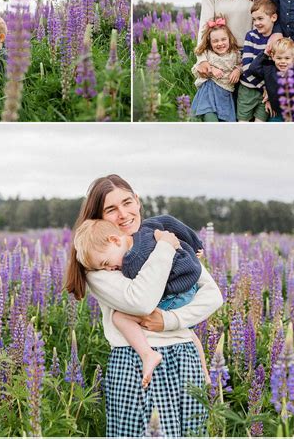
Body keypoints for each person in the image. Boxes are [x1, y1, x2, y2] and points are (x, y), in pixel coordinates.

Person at [65, 174, 223, 438]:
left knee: (194, 433)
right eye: (111, 209)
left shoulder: (157, 237)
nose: (123, 214)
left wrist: (169, 320)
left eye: (127, 203)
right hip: (138, 362)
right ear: (99, 217)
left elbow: (213, 295)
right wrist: (165, 248)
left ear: (137, 201)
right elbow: (141, 302)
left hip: (185, 357)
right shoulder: (101, 266)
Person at [73, 215, 210, 388]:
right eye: (103, 268)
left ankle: (147, 355)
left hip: (177, 291)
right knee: (188, 333)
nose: (109, 269)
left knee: (120, 318)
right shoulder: (147, 229)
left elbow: (143, 298)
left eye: (106, 263)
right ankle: (205, 374)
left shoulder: (130, 263)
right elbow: (168, 221)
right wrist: (195, 243)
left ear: (115, 240)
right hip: (189, 284)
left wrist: (166, 247)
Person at [191, 19, 241, 122]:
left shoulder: (235, 54)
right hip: (208, 92)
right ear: (210, 43)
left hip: (224, 95)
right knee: (210, 118)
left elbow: (242, 65)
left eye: (223, 39)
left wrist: (237, 70)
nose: (220, 43)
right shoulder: (207, 54)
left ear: (229, 39)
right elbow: (196, 69)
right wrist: (211, 69)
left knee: (224, 123)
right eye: (215, 41)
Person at [237, 0, 278, 122]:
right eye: (254, 19)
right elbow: (246, 68)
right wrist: (264, 87)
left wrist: (270, 90)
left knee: (260, 125)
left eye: (260, 18)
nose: (256, 23)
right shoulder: (251, 36)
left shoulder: (278, 39)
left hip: (265, 94)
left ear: (273, 17)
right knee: (242, 123)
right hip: (248, 89)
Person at [248, 37, 294, 122]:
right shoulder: (269, 69)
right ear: (273, 57)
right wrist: (265, 54)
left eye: (287, 58)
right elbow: (253, 69)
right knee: (274, 129)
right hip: (277, 113)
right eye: (279, 58)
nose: (283, 61)